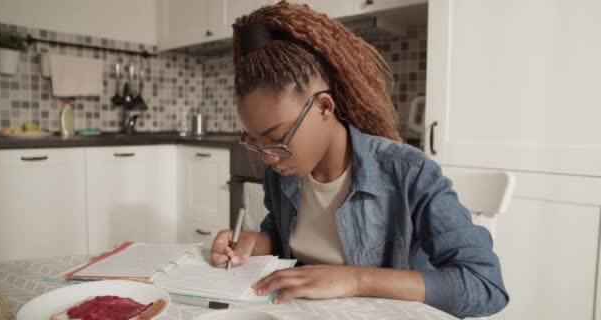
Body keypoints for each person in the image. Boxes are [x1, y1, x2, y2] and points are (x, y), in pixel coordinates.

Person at [210, 1, 509, 318]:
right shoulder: (283, 174)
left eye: (277, 138)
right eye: (256, 143)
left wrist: (355, 278)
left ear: (324, 107)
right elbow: (284, 241)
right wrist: (253, 243)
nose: (269, 157)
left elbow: (484, 285)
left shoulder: (409, 172)